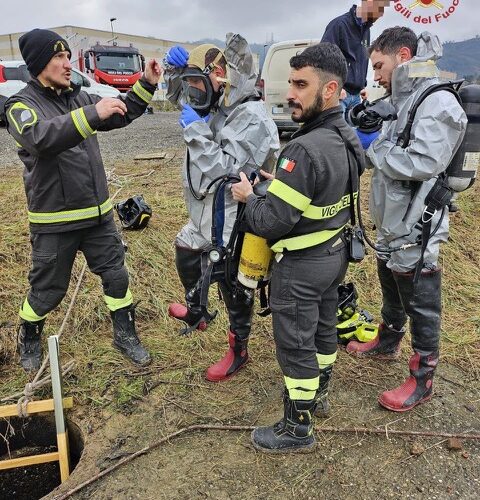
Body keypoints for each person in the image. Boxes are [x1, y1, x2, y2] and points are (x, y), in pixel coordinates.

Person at [232, 42, 365, 453]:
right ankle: (319, 395)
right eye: (291, 82)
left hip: (302, 266)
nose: (290, 92)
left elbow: (272, 221)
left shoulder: (304, 149)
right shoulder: (344, 136)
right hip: (334, 255)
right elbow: (323, 191)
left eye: (301, 84)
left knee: (294, 343)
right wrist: (284, 182)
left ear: (329, 90)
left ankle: (297, 428)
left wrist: (249, 196)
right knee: (324, 329)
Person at [6, 28, 161, 372]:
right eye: (58, 57)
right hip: (54, 224)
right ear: (38, 64)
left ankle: (125, 335)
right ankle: (29, 338)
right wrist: (94, 114)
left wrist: (147, 83)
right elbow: (39, 138)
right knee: (47, 293)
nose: (67, 64)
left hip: (99, 218)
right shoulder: (21, 106)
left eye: (66, 56)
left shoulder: (75, 97)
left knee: (117, 278)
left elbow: (120, 112)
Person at [347, 27, 467, 412]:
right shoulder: (401, 99)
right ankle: (388, 340)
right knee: (389, 276)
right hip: (392, 218)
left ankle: (423, 377)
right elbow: (388, 152)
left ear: (402, 55)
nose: (375, 75)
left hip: (420, 220)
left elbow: (423, 162)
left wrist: (375, 147)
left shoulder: (437, 102)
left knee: (420, 297)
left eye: (378, 65)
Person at [162, 34, 279, 382]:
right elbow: (182, 98)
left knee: (234, 284)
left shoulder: (253, 118)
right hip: (208, 212)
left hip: (237, 217)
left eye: (201, 81)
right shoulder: (223, 107)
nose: (196, 91)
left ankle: (237, 349)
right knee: (186, 249)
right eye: (192, 83)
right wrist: (173, 72)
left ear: (225, 77)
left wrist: (196, 132)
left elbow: (226, 169)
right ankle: (198, 310)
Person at [321, 1, 390, 117]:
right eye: (380, 8)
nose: (381, 14)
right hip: (340, 95)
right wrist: (337, 87)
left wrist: (362, 86)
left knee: (354, 134)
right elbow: (324, 57)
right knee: (337, 133)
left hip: (357, 96)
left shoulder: (366, 31)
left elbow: (363, 59)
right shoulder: (339, 25)